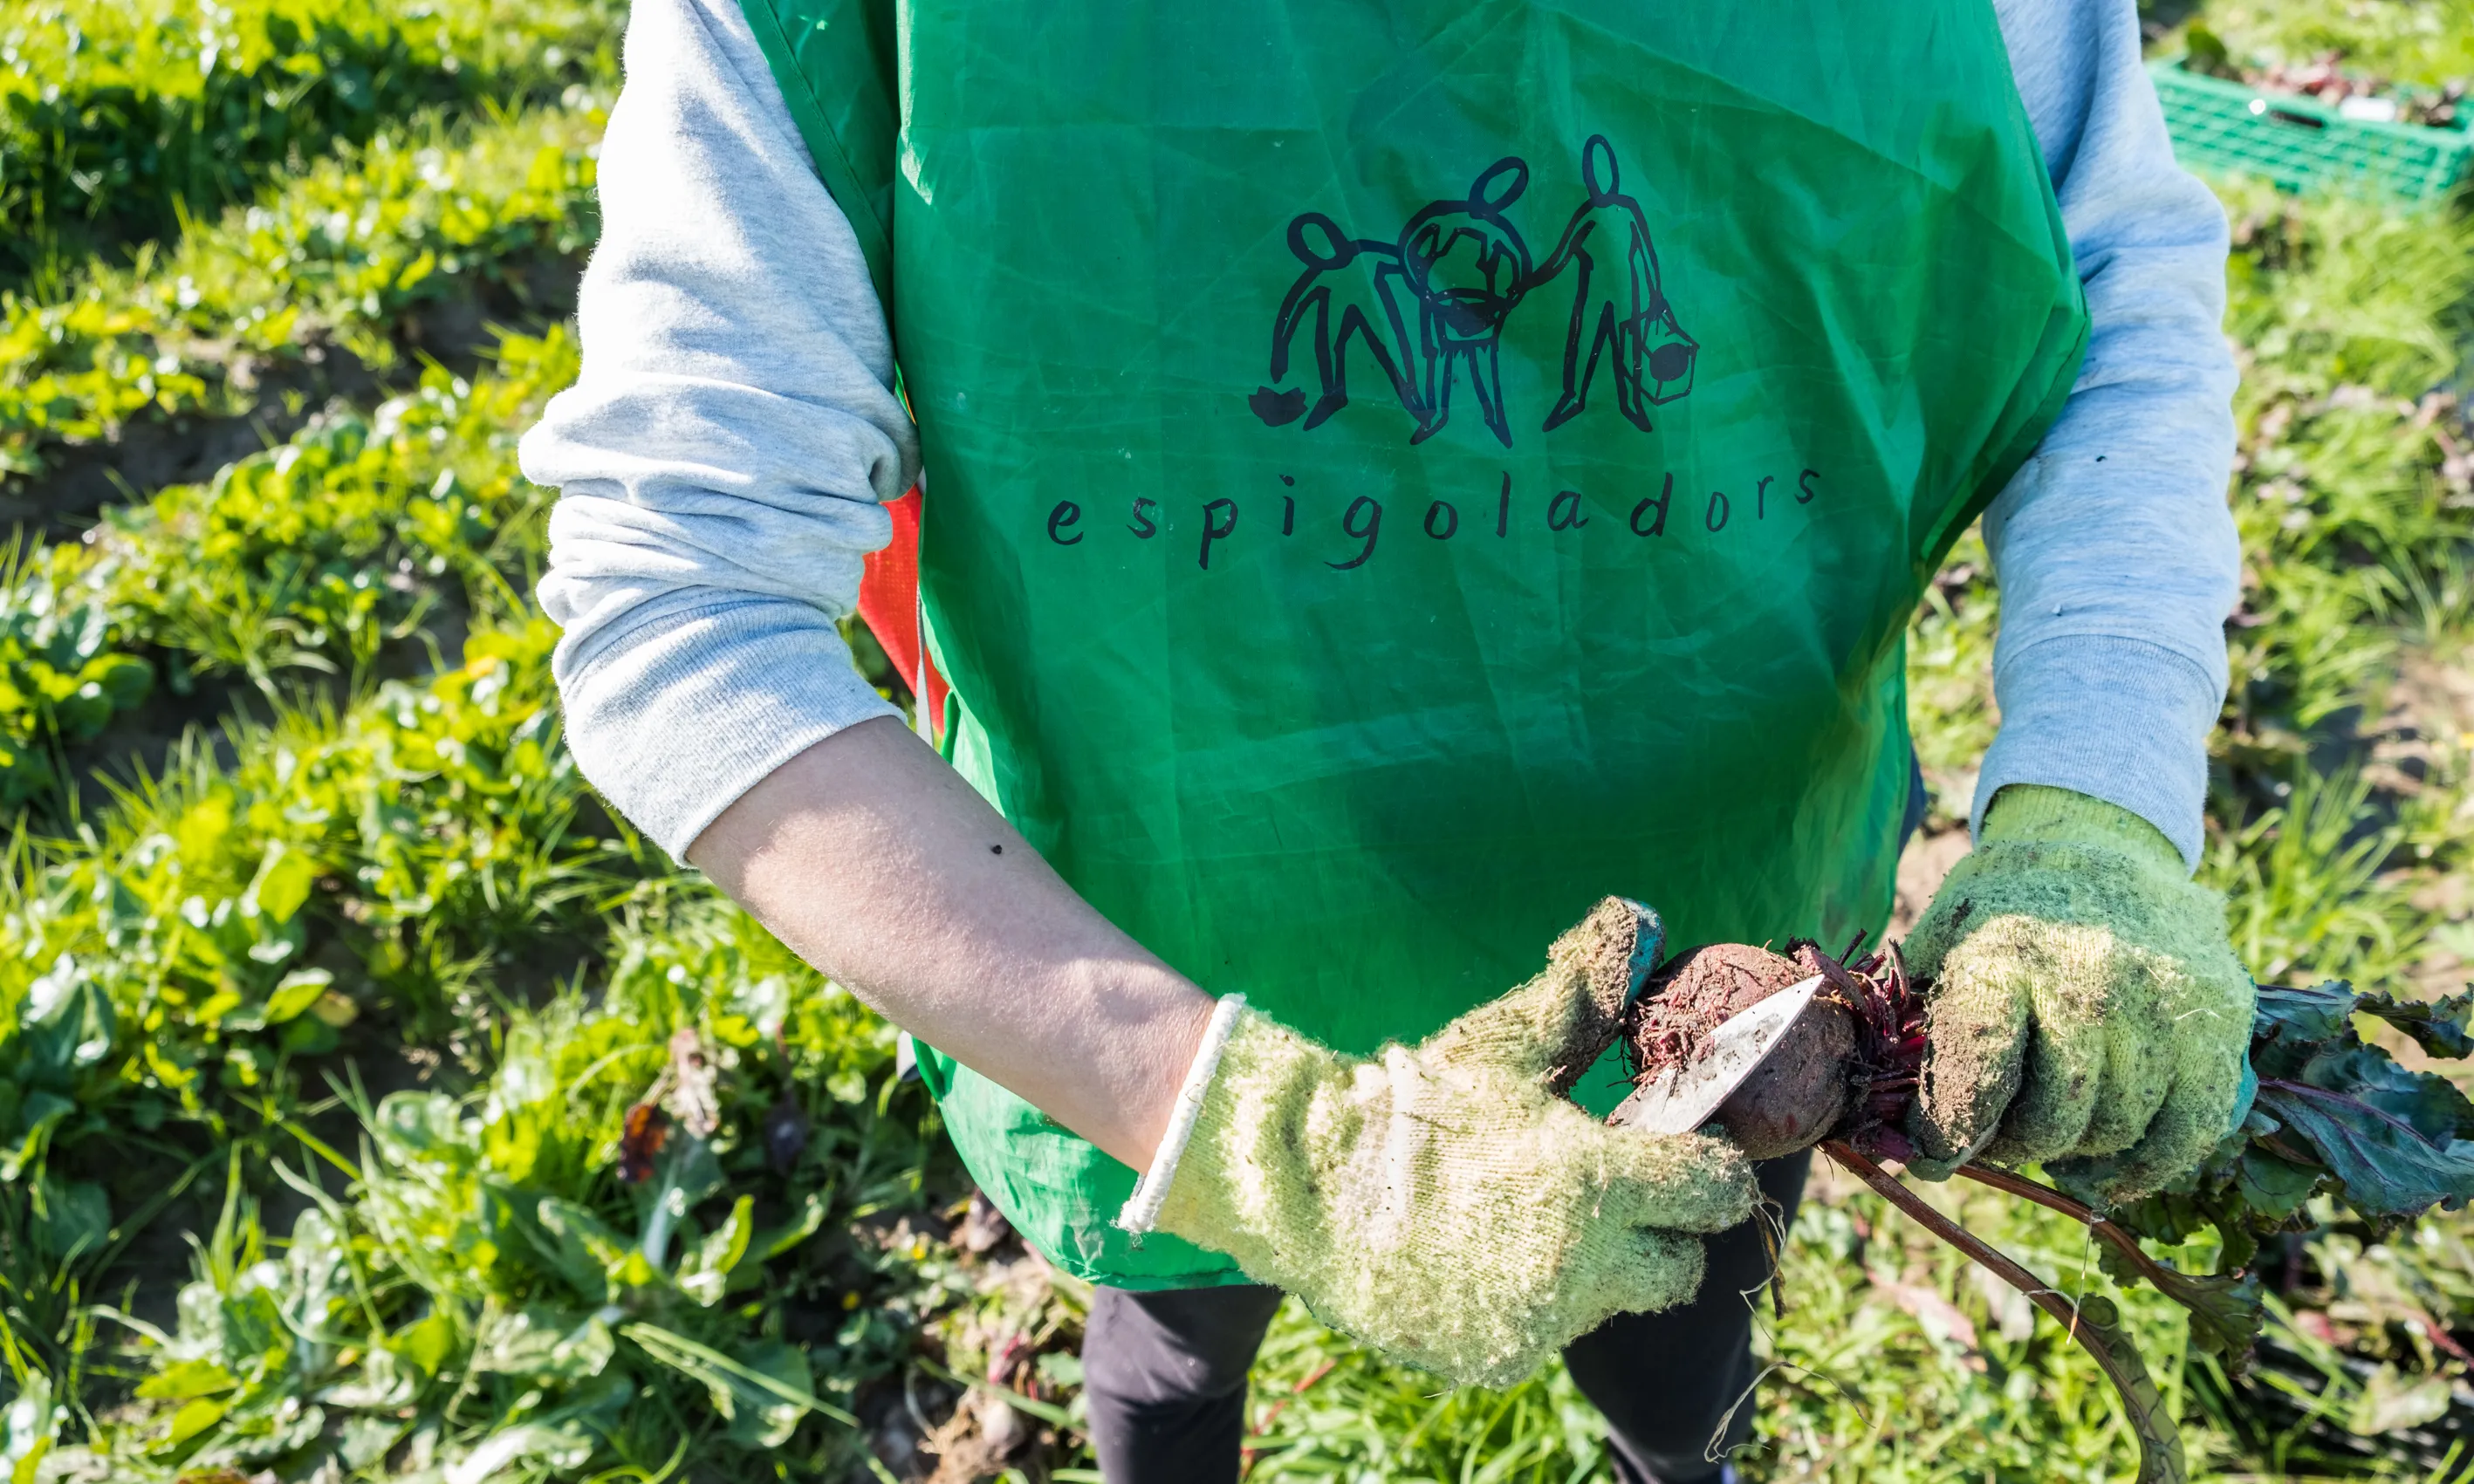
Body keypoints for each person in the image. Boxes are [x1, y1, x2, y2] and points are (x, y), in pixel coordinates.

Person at [518, 1, 2252, 1479]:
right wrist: (1256, 1140)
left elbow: (2096, 277)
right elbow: (682, 610)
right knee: (1176, 1337)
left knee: (1681, 1297)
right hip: (1156, 961)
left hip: (1715, 913)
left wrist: (2094, 804)